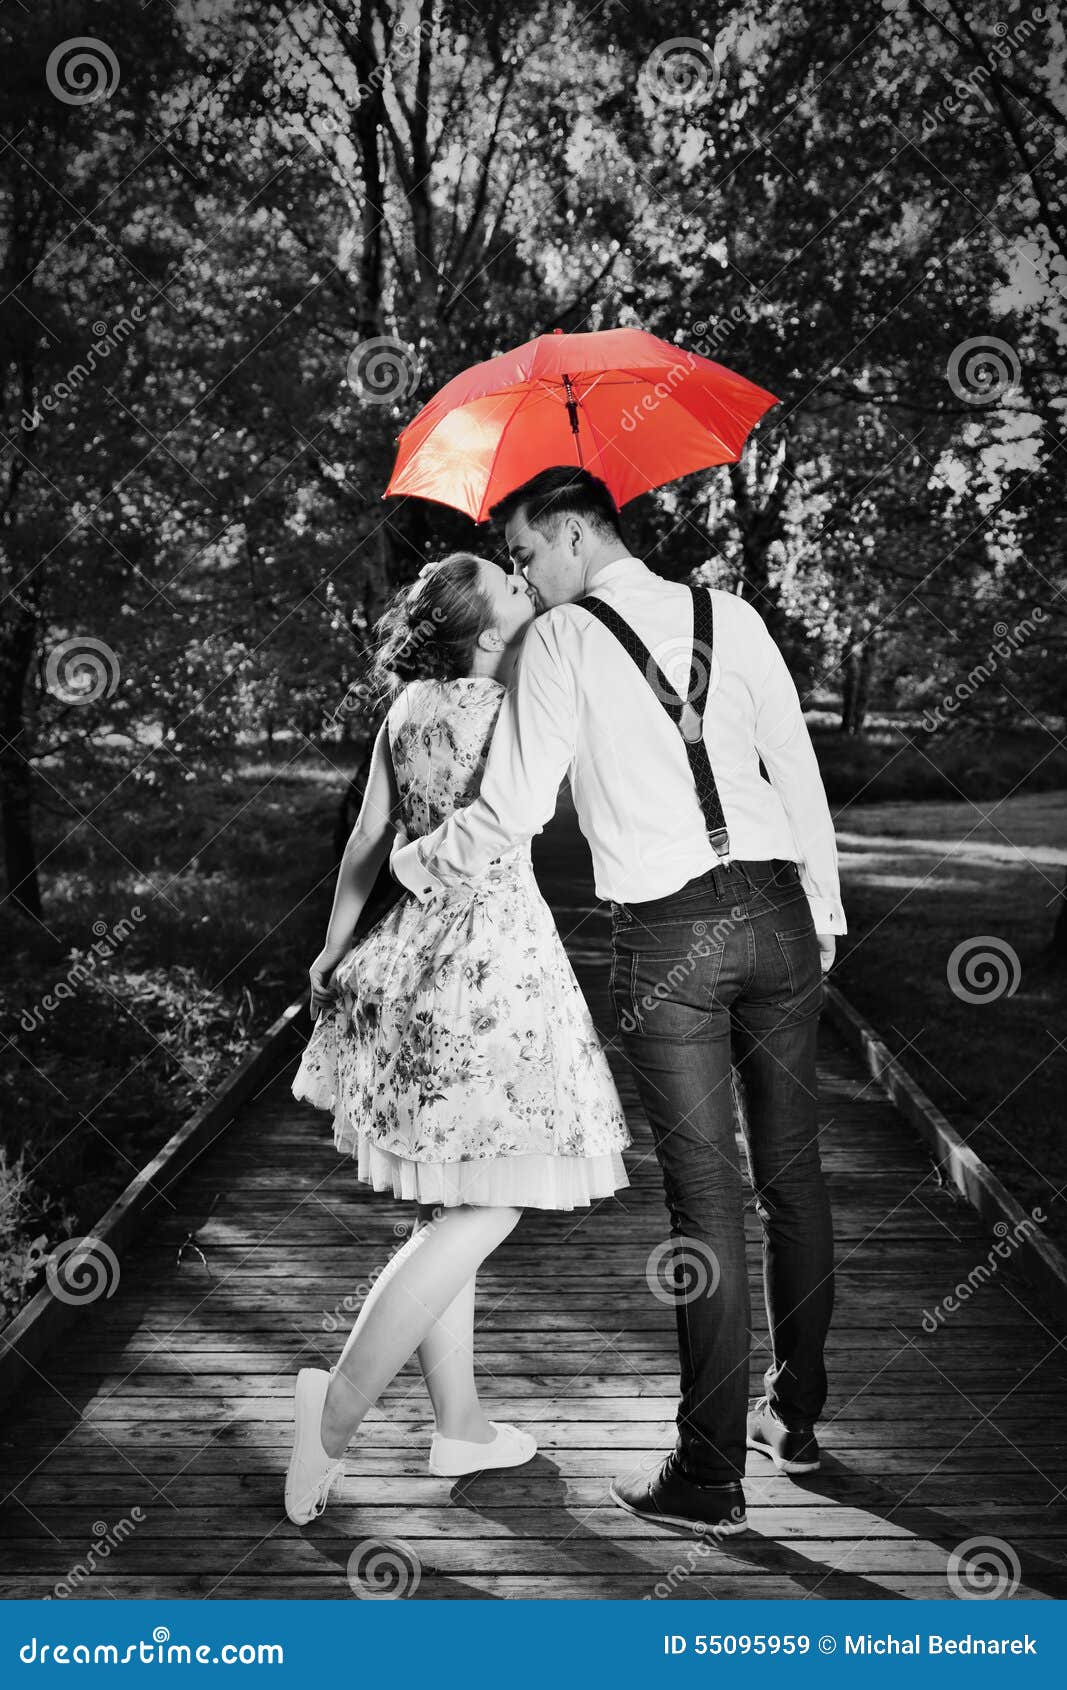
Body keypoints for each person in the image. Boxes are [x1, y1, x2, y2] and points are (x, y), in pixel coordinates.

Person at [390, 468, 847, 1537]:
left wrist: (413, 865)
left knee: (706, 1203)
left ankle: (706, 1476)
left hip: (668, 929)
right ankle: (798, 1416)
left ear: (570, 535)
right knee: (792, 1176)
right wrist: (821, 911)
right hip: (778, 908)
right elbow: (795, 769)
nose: (521, 573)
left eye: (524, 552)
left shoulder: (559, 639)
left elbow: (512, 806)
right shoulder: (729, 614)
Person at [284, 550, 631, 1526]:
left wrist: (330, 948)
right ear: (486, 629)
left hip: (410, 961)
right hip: (494, 969)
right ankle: (336, 1409)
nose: (525, 584)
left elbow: (365, 841)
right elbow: (559, 808)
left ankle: (461, 1424)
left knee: (448, 1197)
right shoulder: (519, 706)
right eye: (509, 586)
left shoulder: (407, 710)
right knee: (492, 1200)